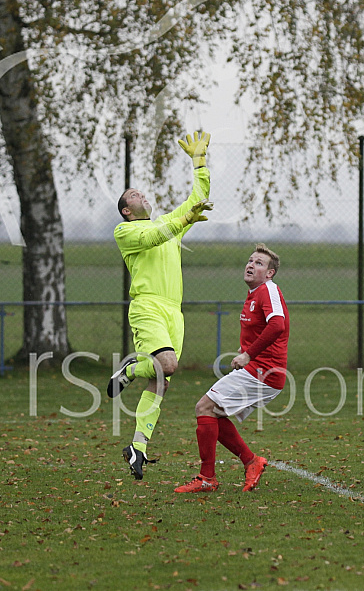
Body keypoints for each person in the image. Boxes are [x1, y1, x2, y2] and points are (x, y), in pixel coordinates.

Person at [107, 131, 212, 480]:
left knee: (164, 377)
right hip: (148, 306)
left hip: (174, 312)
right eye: (135, 194)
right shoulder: (126, 232)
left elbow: (198, 198)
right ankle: (129, 370)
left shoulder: (169, 225)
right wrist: (183, 220)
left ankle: (138, 446)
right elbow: (154, 234)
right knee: (164, 363)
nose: (143, 195)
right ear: (127, 209)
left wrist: (199, 164)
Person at [175, 243, 289, 493]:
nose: (251, 265)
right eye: (250, 260)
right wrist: (247, 348)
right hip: (261, 370)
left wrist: (249, 354)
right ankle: (251, 462)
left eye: (259, 263)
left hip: (264, 372)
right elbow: (264, 329)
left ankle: (208, 478)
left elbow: (278, 325)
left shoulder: (268, 289)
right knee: (212, 411)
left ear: (270, 273)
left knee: (204, 407)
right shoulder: (255, 293)